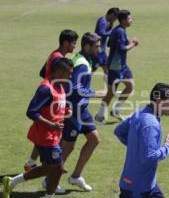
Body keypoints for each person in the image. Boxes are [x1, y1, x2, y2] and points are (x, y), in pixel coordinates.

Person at [2, 58, 74, 198]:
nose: (70, 76)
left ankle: (11, 182)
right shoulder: (45, 89)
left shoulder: (60, 85)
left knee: (49, 168)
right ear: (60, 71)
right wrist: (51, 125)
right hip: (45, 136)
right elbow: (31, 112)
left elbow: (55, 104)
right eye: (69, 73)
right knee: (57, 169)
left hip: (53, 135)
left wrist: (66, 109)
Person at [24, 29, 78, 173]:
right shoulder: (58, 58)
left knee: (47, 135)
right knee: (51, 134)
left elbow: (43, 72)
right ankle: (52, 168)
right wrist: (53, 91)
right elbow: (48, 74)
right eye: (74, 43)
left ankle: (33, 163)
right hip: (52, 100)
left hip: (55, 99)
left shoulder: (55, 55)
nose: (75, 46)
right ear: (66, 43)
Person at [60, 32, 106, 191]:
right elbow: (75, 88)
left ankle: (75, 176)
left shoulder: (82, 58)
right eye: (97, 46)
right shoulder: (82, 63)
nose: (99, 49)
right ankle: (49, 179)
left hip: (82, 109)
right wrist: (96, 93)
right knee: (68, 146)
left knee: (94, 140)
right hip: (74, 109)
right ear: (87, 46)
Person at [114, 83, 169, 198]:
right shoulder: (151, 124)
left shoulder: (140, 113)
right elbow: (149, 157)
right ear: (158, 100)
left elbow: (119, 131)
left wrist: (137, 147)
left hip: (144, 183)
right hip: (137, 187)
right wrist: (167, 146)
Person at [95, 9, 139, 123]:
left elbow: (110, 44)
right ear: (123, 20)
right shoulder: (119, 31)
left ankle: (116, 111)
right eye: (129, 18)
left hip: (121, 65)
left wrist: (126, 42)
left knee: (130, 85)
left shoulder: (120, 30)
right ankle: (100, 114)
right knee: (111, 92)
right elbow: (121, 49)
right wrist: (132, 44)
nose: (131, 20)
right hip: (115, 66)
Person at [93, 7, 120, 76]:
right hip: (98, 50)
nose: (115, 20)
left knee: (107, 69)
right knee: (93, 68)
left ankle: (110, 85)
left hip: (102, 50)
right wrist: (112, 31)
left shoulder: (108, 21)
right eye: (115, 18)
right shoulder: (103, 21)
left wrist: (111, 24)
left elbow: (107, 32)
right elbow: (102, 33)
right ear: (112, 14)